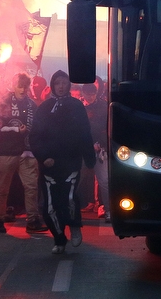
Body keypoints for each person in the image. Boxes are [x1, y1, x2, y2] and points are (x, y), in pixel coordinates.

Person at [30, 70, 95, 255]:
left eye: (64, 82)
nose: (60, 86)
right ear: (52, 85)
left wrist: (89, 158)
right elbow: (35, 136)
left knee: (69, 199)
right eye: (57, 82)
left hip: (71, 161)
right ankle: (59, 237)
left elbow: (85, 133)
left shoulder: (76, 106)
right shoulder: (44, 108)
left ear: (68, 85)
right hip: (49, 165)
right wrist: (43, 157)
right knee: (49, 206)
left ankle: (74, 225)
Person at [0, 73, 47, 235]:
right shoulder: (4, 102)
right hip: (6, 151)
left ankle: (32, 220)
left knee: (31, 186)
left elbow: (37, 128)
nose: (23, 89)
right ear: (13, 85)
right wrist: (16, 130)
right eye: (20, 86)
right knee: (3, 188)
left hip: (27, 151)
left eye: (25, 86)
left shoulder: (32, 105)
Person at [81, 83, 110, 220]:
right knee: (78, 179)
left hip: (99, 149)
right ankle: (75, 207)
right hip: (83, 148)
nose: (91, 96)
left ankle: (107, 209)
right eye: (88, 94)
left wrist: (101, 143)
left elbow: (106, 128)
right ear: (84, 93)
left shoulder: (103, 107)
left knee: (103, 180)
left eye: (93, 94)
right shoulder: (79, 106)